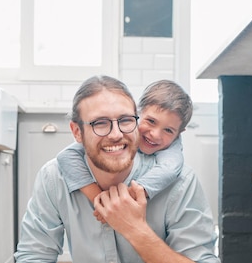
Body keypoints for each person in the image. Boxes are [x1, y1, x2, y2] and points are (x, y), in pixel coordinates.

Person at [12, 75, 247, 263]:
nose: (116, 134)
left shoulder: (180, 181)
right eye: (100, 124)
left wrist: (136, 229)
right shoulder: (55, 176)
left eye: (125, 121)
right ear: (76, 132)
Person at [56, 79, 190, 206]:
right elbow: (66, 156)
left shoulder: (172, 151)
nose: (155, 134)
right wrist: (97, 198)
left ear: (179, 133)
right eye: (151, 121)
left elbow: (169, 169)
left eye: (168, 130)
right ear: (138, 113)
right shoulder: (124, 130)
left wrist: (131, 196)